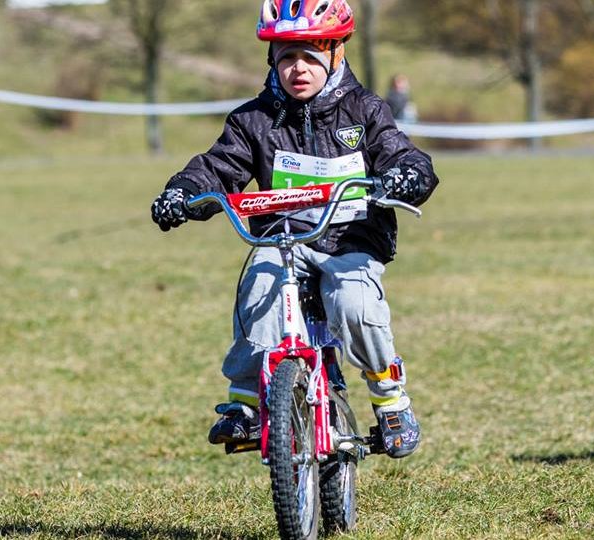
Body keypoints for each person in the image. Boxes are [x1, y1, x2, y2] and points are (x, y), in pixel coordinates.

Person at [149, 0, 438, 458]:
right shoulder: (253, 121)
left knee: (354, 302)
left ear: (335, 56)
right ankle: (245, 404)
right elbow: (218, 167)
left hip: (350, 240)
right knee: (257, 286)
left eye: (309, 56)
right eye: (286, 57)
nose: (297, 69)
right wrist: (184, 192)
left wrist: (408, 174)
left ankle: (389, 400)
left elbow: (400, 152)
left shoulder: (365, 110)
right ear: (272, 61)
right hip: (281, 241)